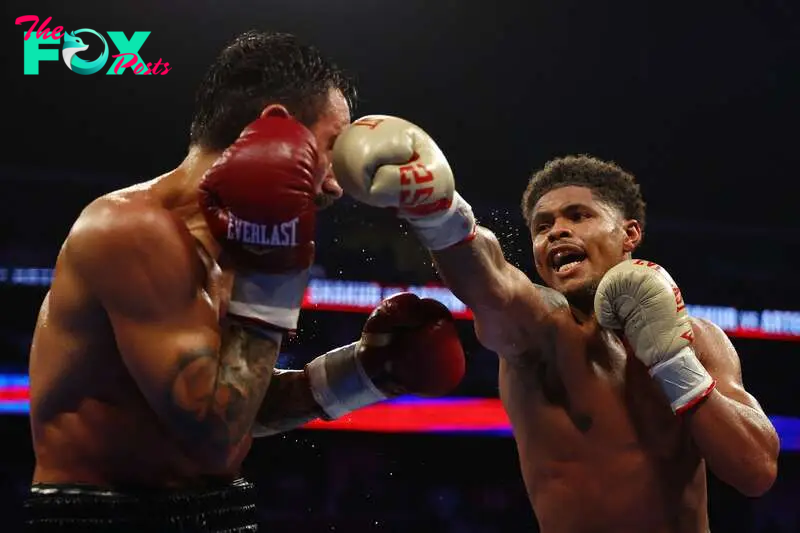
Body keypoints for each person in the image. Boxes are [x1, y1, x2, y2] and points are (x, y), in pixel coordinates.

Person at [25, 34, 466, 532]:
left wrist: (364, 374)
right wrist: (275, 275)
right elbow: (211, 434)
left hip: (217, 510)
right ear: (277, 128)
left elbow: (231, 403)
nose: (338, 182)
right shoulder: (131, 230)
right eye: (331, 146)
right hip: (107, 515)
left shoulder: (238, 243)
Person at [331, 115, 781, 533]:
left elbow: (756, 471)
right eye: (542, 226)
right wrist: (439, 211)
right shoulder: (541, 331)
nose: (556, 232)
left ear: (630, 233)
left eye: (578, 216)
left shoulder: (700, 339)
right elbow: (491, 279)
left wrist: (671, 359)